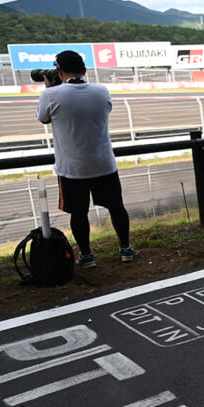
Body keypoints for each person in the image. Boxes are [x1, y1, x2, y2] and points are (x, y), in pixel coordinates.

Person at [36, 51, 135, 267]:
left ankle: (87, 255)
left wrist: (49, 88)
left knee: (78, 213)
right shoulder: (102, 90)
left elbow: (43, 118)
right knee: (117, 207)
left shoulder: (50, 95)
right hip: (104, 163)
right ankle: (126, 249)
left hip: (72, 168)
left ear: (59, 72)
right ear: (85, 70)